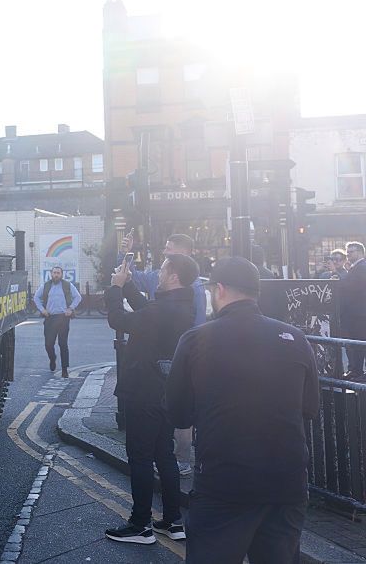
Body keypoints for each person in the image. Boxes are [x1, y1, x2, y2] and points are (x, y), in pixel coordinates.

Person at [166, 257, 319, 563]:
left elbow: (178, 413)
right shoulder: (296, 339)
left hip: (225, 482)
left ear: (218, 289)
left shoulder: (196, 339)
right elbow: (310, 408)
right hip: (287, 482)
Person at [103, 253, 198, 545]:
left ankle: (140, 524)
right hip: (166, 391)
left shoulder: (162, 310)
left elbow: (119, 319)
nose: (158, 273)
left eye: (163, 269)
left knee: (141, 457)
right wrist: (130, 285)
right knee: (164, 455)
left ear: (173, 277)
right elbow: (147, 310)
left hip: (144, 390)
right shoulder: (182, 305)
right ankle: (172, 521)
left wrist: (116, 288)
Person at [120, 231, 207, 326]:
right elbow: (134, 278)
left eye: (168, 249)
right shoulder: (157, 275)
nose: (164, 252)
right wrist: (125, 253)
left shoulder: (196, 287)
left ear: (182, 253)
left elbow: (199, 324)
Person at [32, 266, 81, 378]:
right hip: (50, 318)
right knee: (48, 344)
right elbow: (36, 298)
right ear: (51, 274)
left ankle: (64, 370)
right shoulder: (46, 286)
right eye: (54, 273)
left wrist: (71, 308)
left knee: (63, 344)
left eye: (58, 273)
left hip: (63, 318)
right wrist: (42, 310)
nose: (56, 275)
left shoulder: (67, 285)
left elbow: (78, 297)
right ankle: (52, 358)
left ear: (61, 274)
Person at [339, 241, 366, 379]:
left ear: (360, 252)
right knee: (356, 343)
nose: (348, 254)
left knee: (357, 342)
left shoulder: (361, 267)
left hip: (358, 313)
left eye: (351, 251)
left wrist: (339, 280)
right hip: (357, 313)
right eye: (347, 251)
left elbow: (352, 288)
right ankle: (356, 370)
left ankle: (357, 371)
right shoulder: (357, 267)